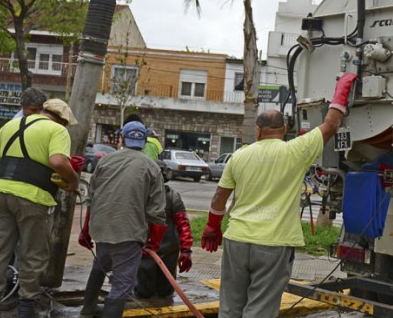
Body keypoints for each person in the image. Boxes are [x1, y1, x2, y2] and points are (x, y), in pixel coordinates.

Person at [201, 73, 357, 317]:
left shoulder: (239, 156)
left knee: (230, 307)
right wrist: (341, 91)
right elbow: (331, 125)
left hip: (237, 240)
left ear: (259, 130)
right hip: (273, 245)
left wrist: (212, 227)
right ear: (284, 129)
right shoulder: (296, 151)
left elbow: (219, 198)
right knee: (260, 309)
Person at [0, 99, 80, 318]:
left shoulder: (11, 124)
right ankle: (27, 305)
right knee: (33, 253)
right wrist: (73, 180)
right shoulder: (57, 130)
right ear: (62, 119)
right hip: (32, 197)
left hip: (1, 193)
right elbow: (57, 162)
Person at [78, 121, 166, 318]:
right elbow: (157, 210)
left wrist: (86, 230)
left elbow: (91, 197)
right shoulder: (151, 167)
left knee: (100, 265)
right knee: (123, 282)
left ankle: (88, 308)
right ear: (143, 142)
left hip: (101, 229)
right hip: (129, 233)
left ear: (122, 139)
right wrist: (154, 241)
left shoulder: (105, 161)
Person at [134, 183, 193, 300]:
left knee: (165, 291)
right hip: (144, 251)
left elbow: (183, 224)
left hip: (167, 253)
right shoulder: (138, 194)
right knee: (143, 291)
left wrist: (186, 250)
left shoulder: (172, 196)